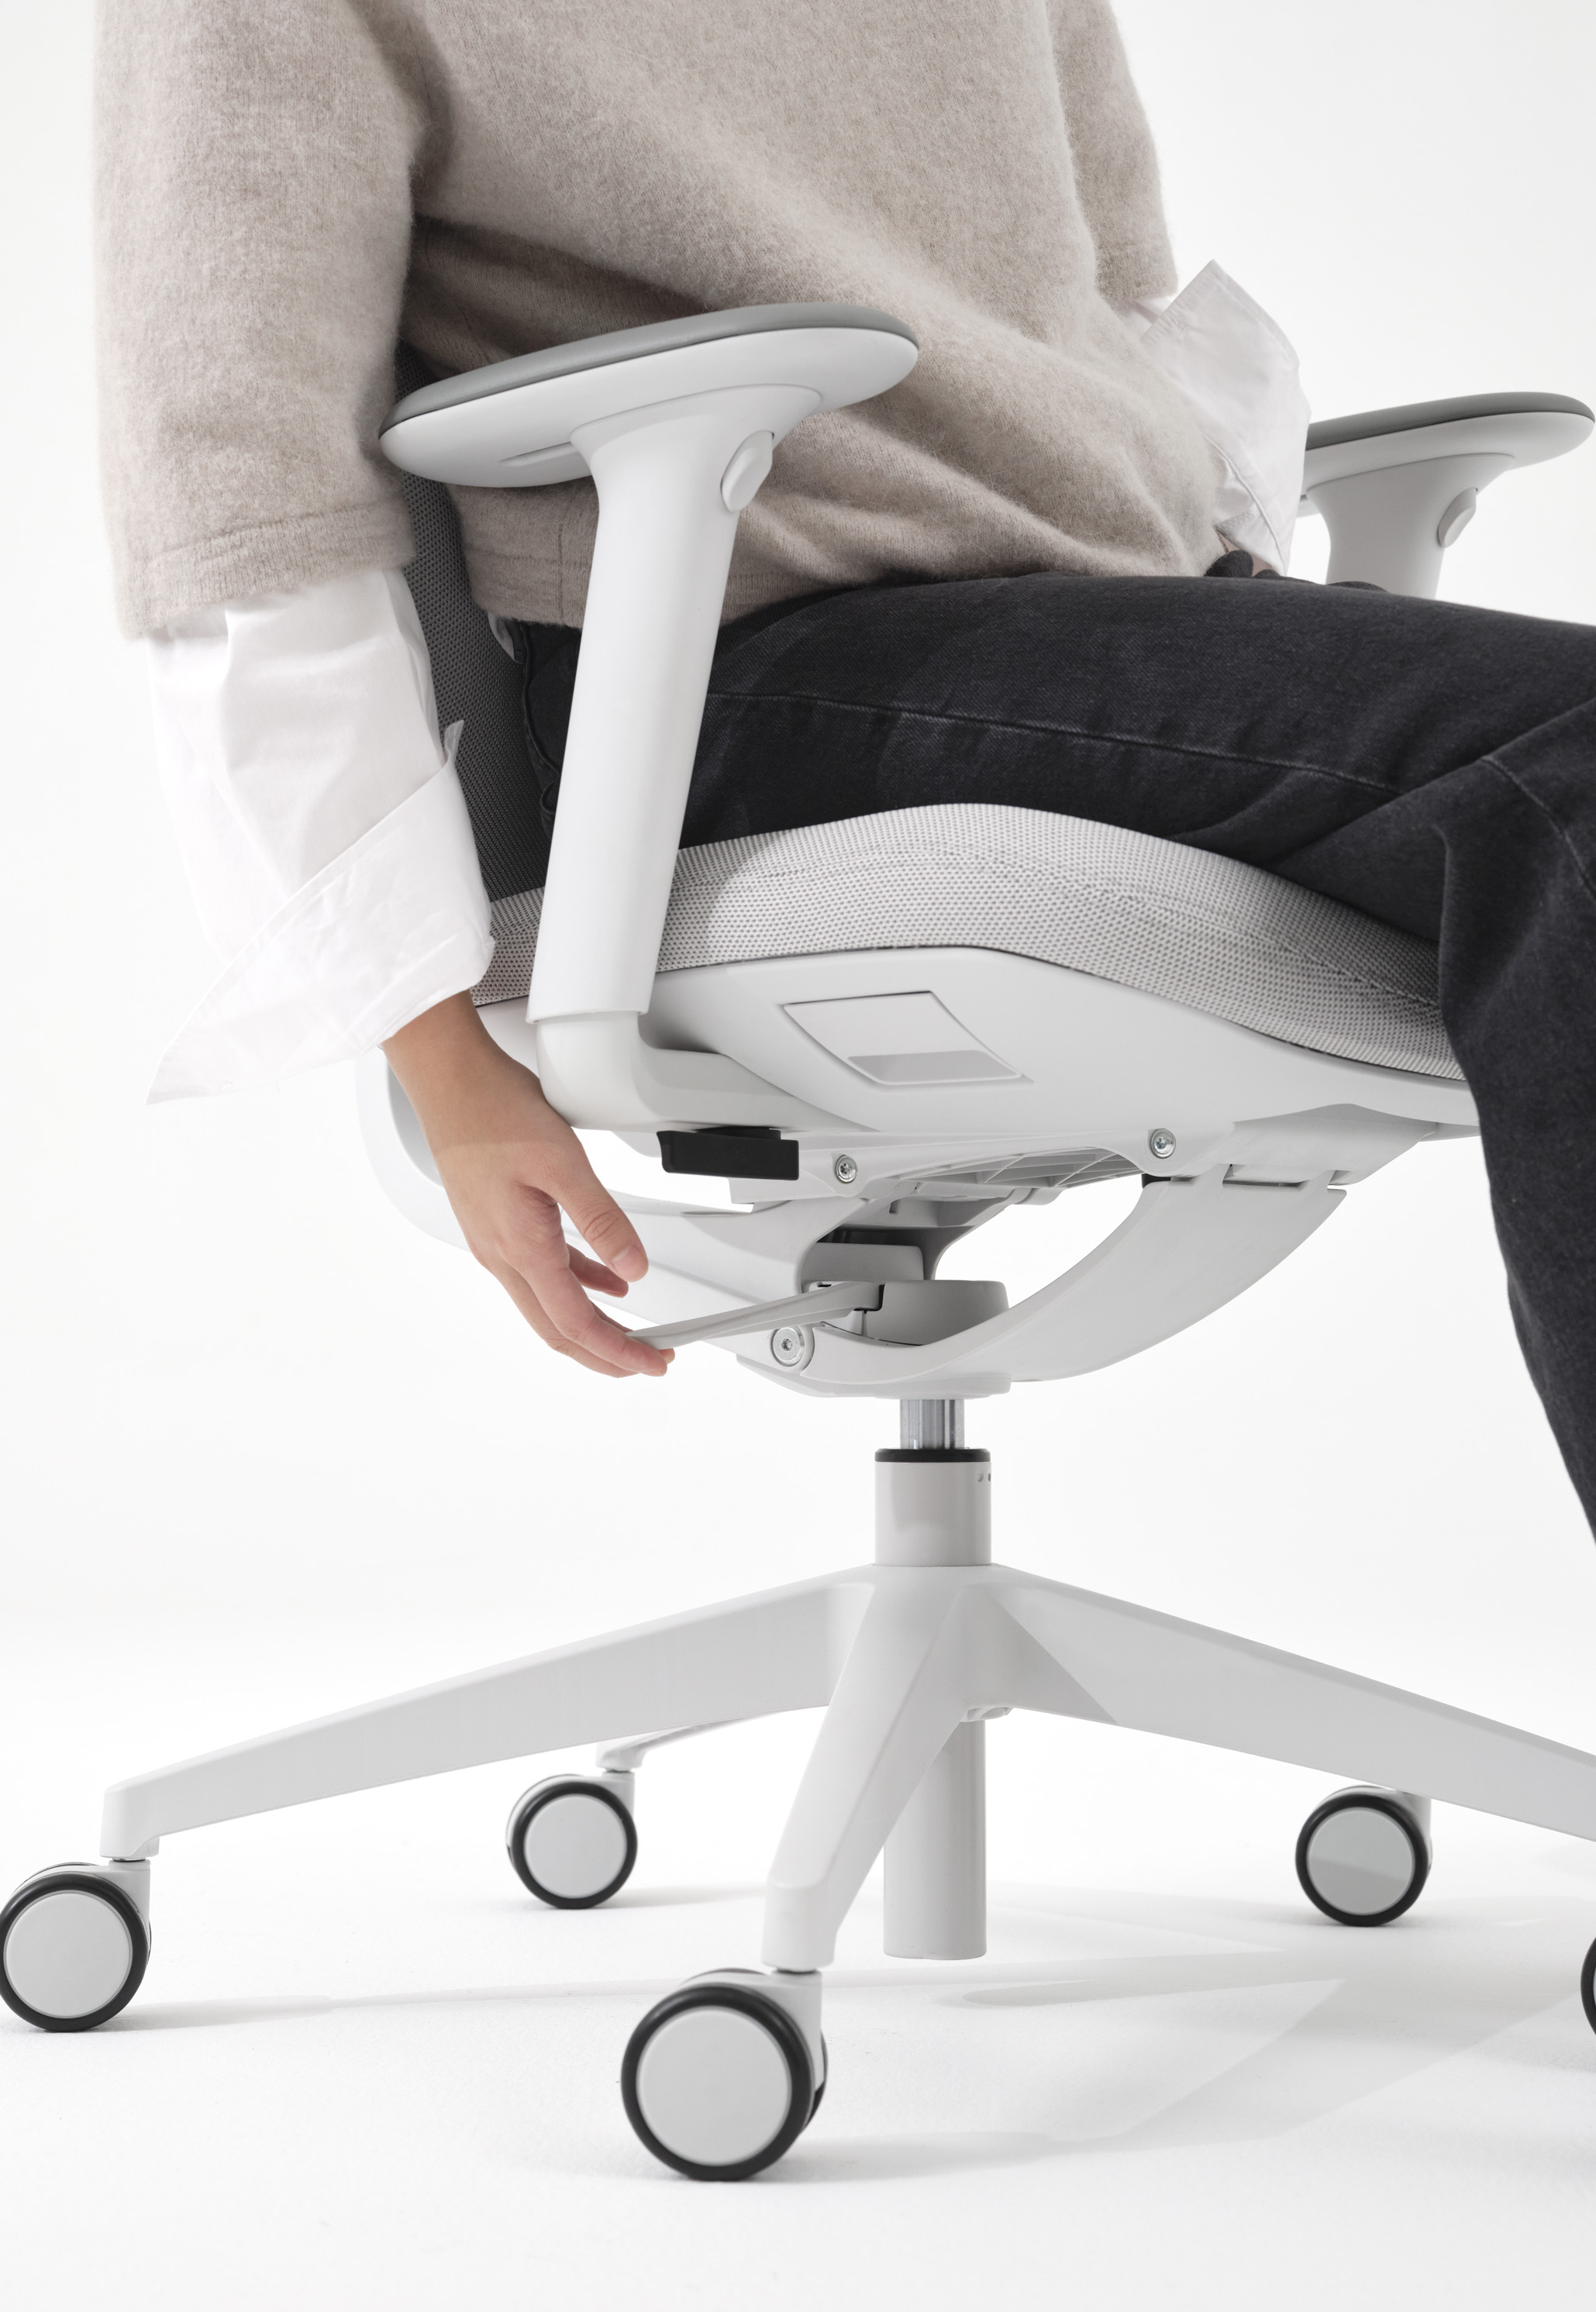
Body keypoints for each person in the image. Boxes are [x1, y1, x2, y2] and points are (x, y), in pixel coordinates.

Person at [98, 2, 1596, 1527]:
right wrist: (436, 1052)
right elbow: (240, 483)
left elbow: (1116, 313)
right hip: (730, 662)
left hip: (1104, 618)